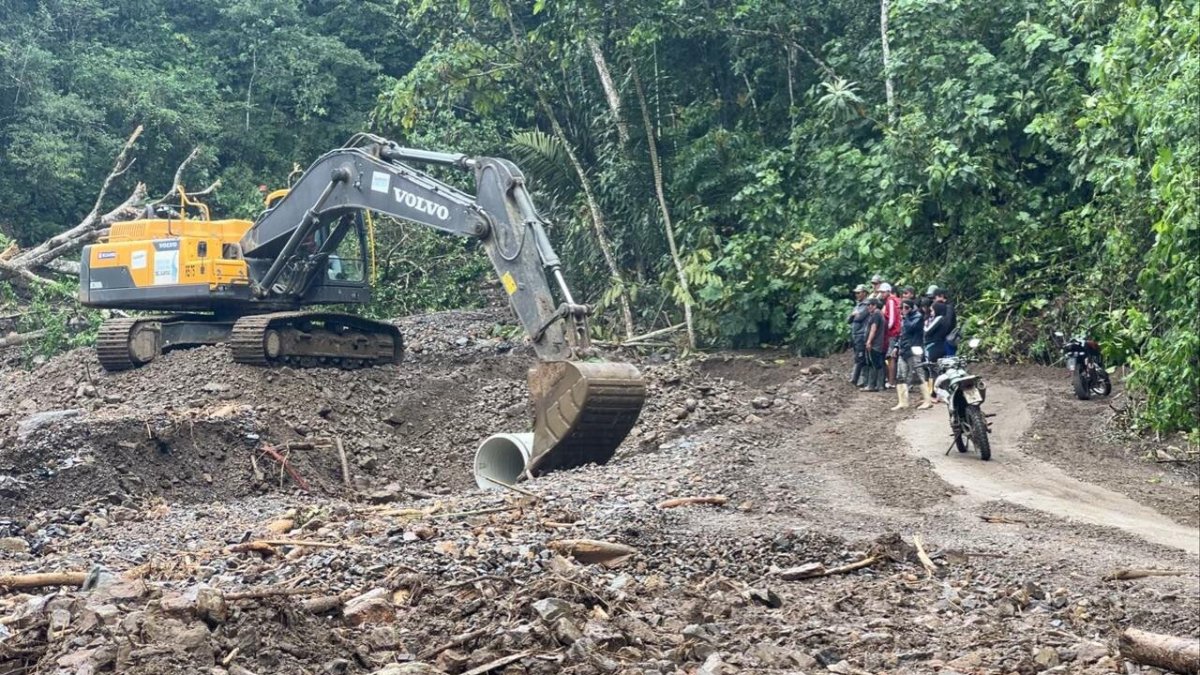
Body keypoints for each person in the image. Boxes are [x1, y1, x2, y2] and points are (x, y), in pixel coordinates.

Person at [893, 298, 930, 410]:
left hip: (914, 350)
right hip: (904, 350)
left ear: (911, 308)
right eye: (902, 308)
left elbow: (910, 328)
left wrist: (905, 317)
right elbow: (902, 335)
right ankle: (903, 401)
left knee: (919, 375)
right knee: (900, 376)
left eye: (906, 308)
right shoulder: (906, 318)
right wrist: (896, 346)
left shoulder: (917, 317)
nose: (903, 310)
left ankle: (927, 400)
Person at [879, 283, 901, 387]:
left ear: (888, 291)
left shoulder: (891, 301)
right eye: (881, 292)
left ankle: (891, 381)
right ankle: (890, 380)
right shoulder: (893, 300)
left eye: (883, 292)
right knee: (889, 356)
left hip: (892, 332)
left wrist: (886, 329)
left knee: (890, 357)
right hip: (892, 332)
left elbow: (892, 319)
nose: (882, 294)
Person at [848, 284, 870, 387]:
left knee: (860, 357)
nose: (856, 295)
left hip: (862, 334)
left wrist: (854, 316)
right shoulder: (858, 305)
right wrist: (853, 315)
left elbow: (859, 318)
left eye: (858, 293)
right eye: (856, 293)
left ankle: (857, 379)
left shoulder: (866, 305)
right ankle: (857, 379)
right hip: (856, 334)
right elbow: (849, 319)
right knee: (858, 356)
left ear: (864, 293)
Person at [863, 297, 886, 392]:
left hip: (875, 344)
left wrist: (869, 341)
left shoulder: (876, 315)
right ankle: (879, 385)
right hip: (878, 343)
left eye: (870, 305)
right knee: (878, 364)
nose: (868, 307)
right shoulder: (879, 314)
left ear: (875, 306)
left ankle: (872, 385)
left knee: (873, 364)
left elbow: (873, 328)